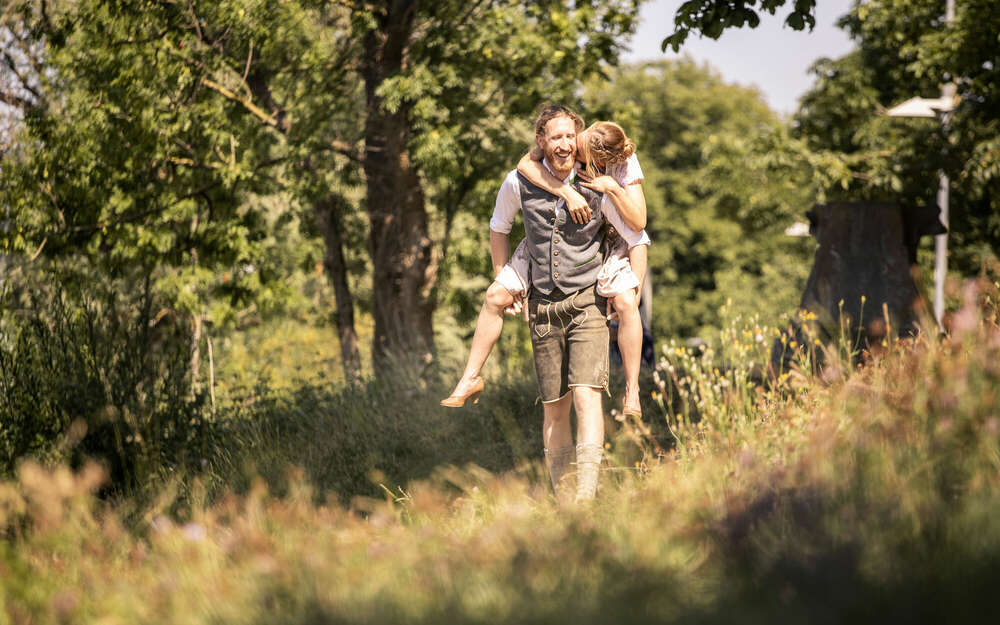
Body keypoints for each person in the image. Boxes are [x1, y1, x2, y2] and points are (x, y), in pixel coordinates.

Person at [443, 104, 649, 502]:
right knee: (554, 407)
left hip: (587, 300)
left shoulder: (603, 178)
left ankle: (585, 500)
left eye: (570, 137)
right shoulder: (520, 179)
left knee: (587, 397)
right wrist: (504, 276)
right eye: (556, 137)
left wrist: (631, 293)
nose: (565, 144)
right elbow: (499, 225)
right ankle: (564, 500)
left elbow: (637, 231)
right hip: (543, 305)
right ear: (541, 142)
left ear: (580, 140)